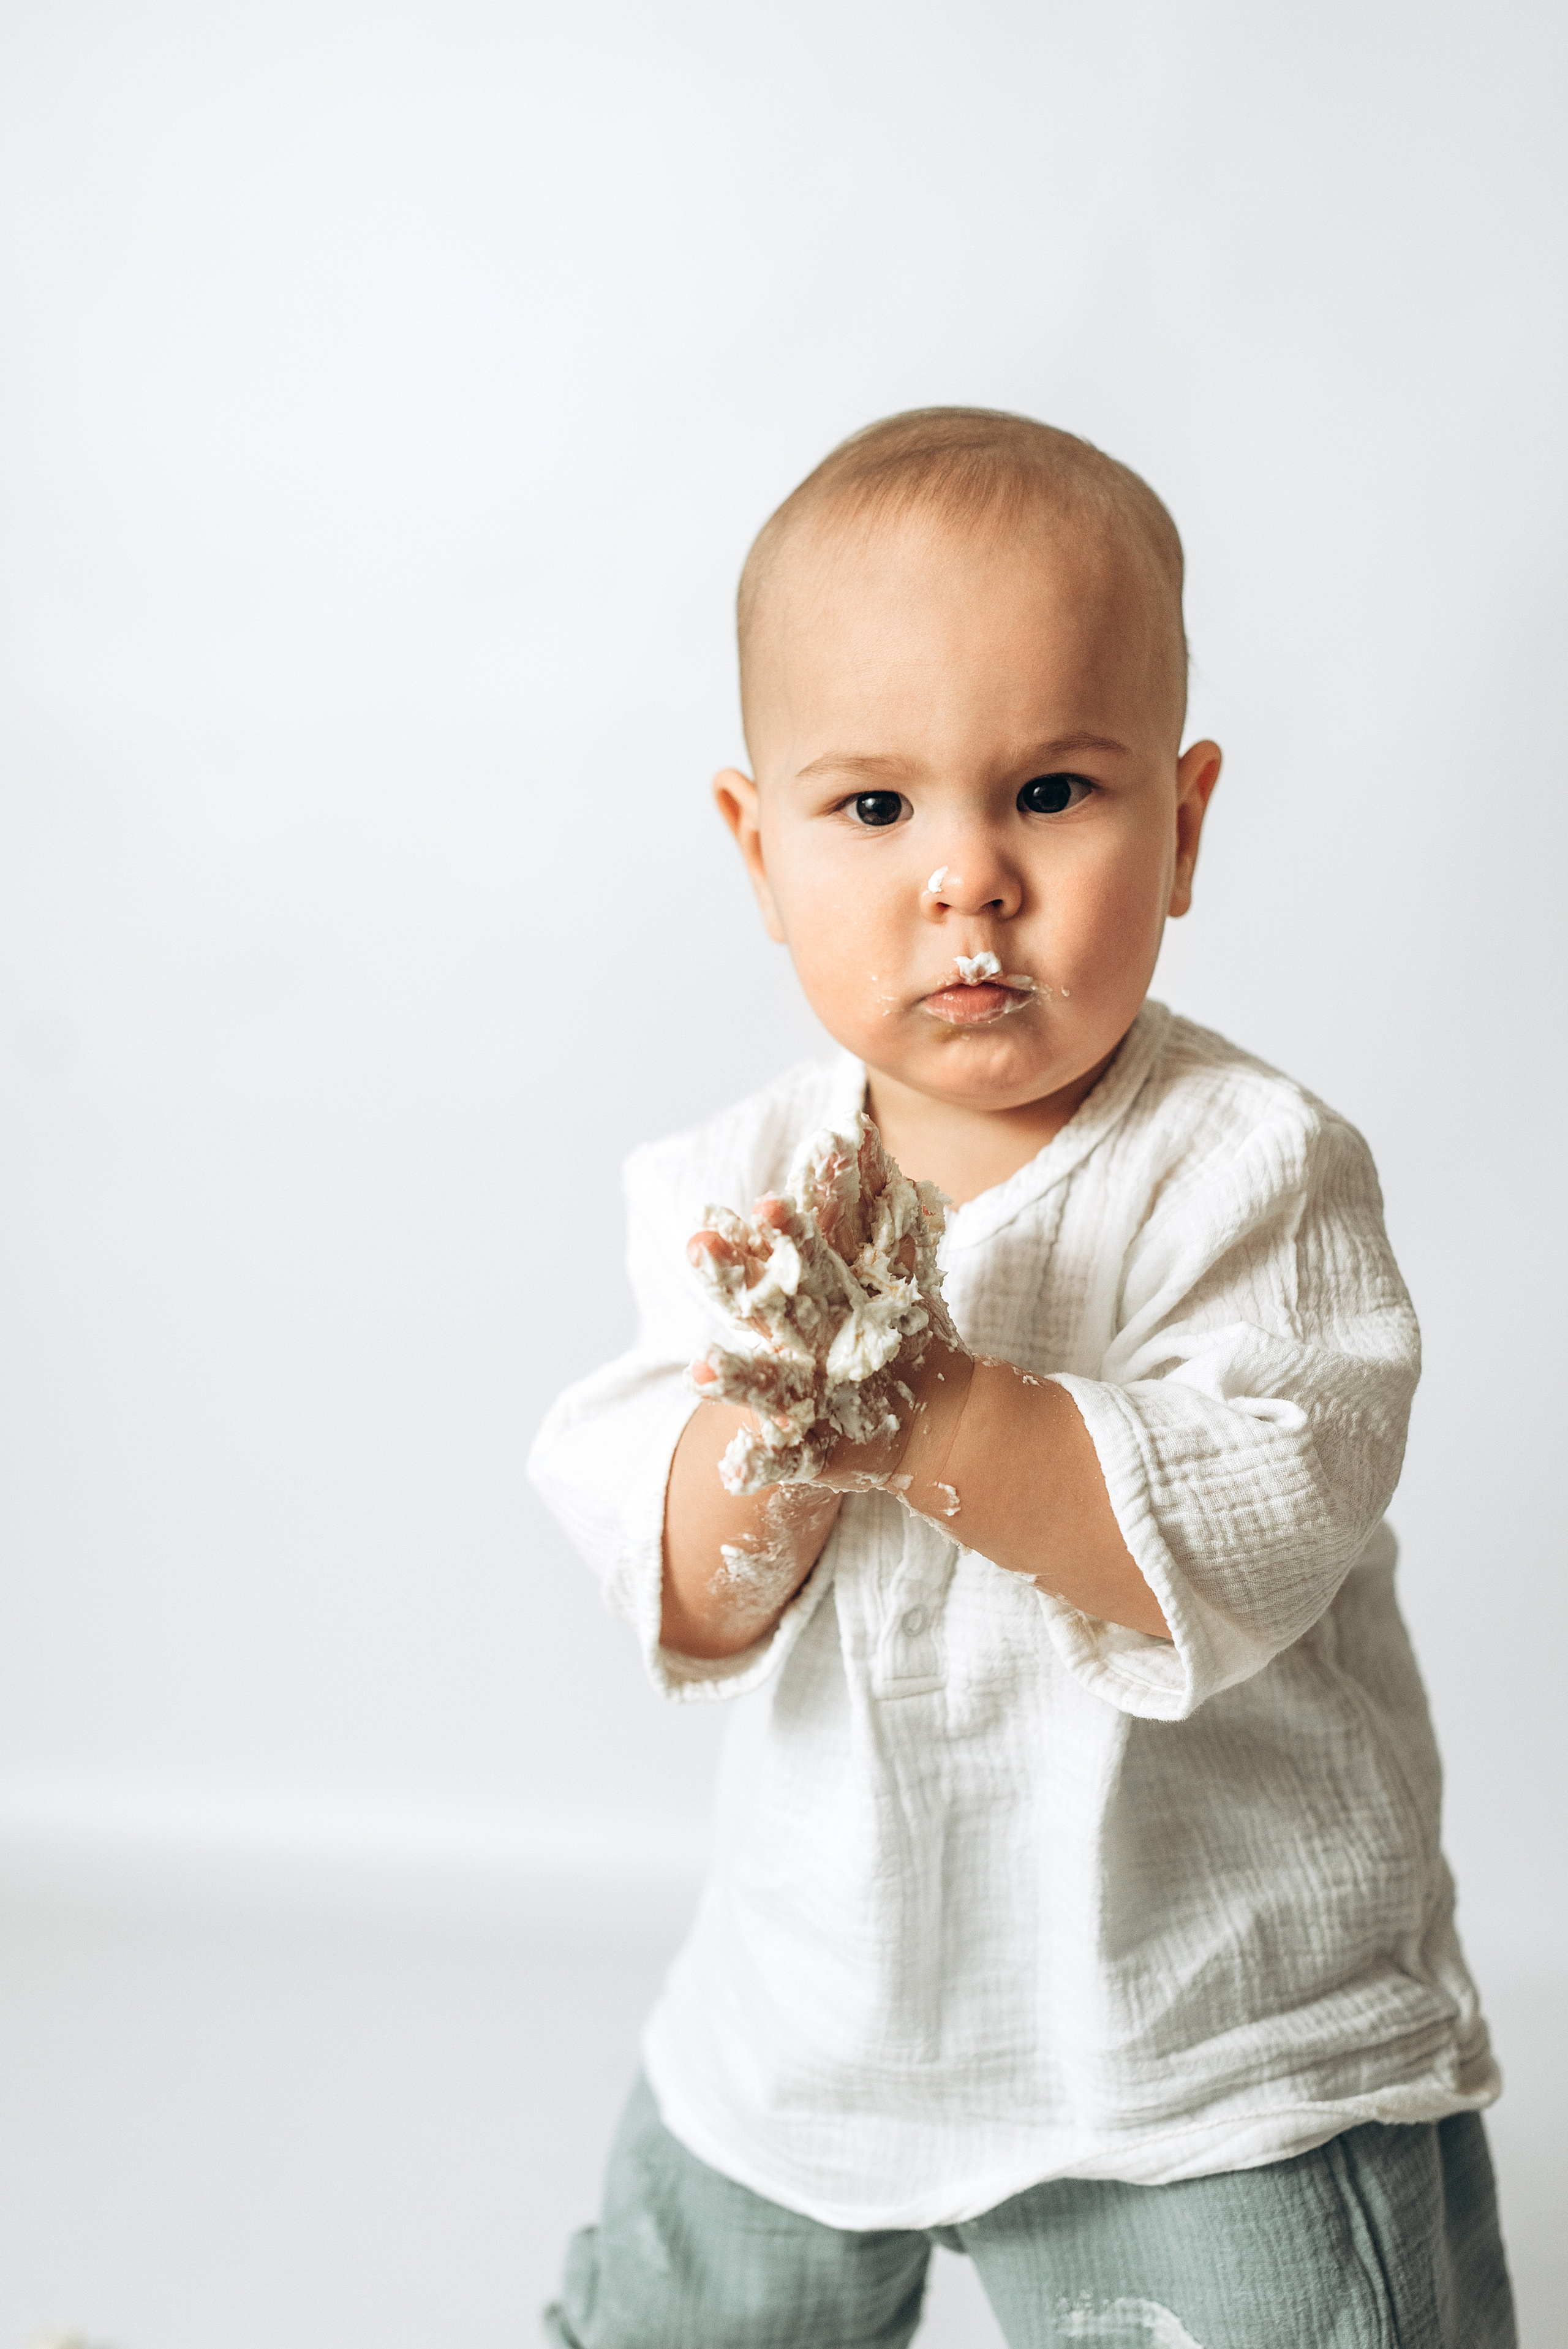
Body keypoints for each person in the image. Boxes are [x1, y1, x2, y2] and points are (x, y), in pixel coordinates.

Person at [528, 408, 1515, 2347]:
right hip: (830, 1987)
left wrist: (939, 1415)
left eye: (1052, 792)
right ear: (757, 847)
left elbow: (1256, 1518)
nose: (968, 879)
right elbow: (687, 1586)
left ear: (1186, 823)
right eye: (874, 809)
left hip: (1193, 2011)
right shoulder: (732, 1193)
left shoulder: (1251, 1174)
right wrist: (774, 1438)